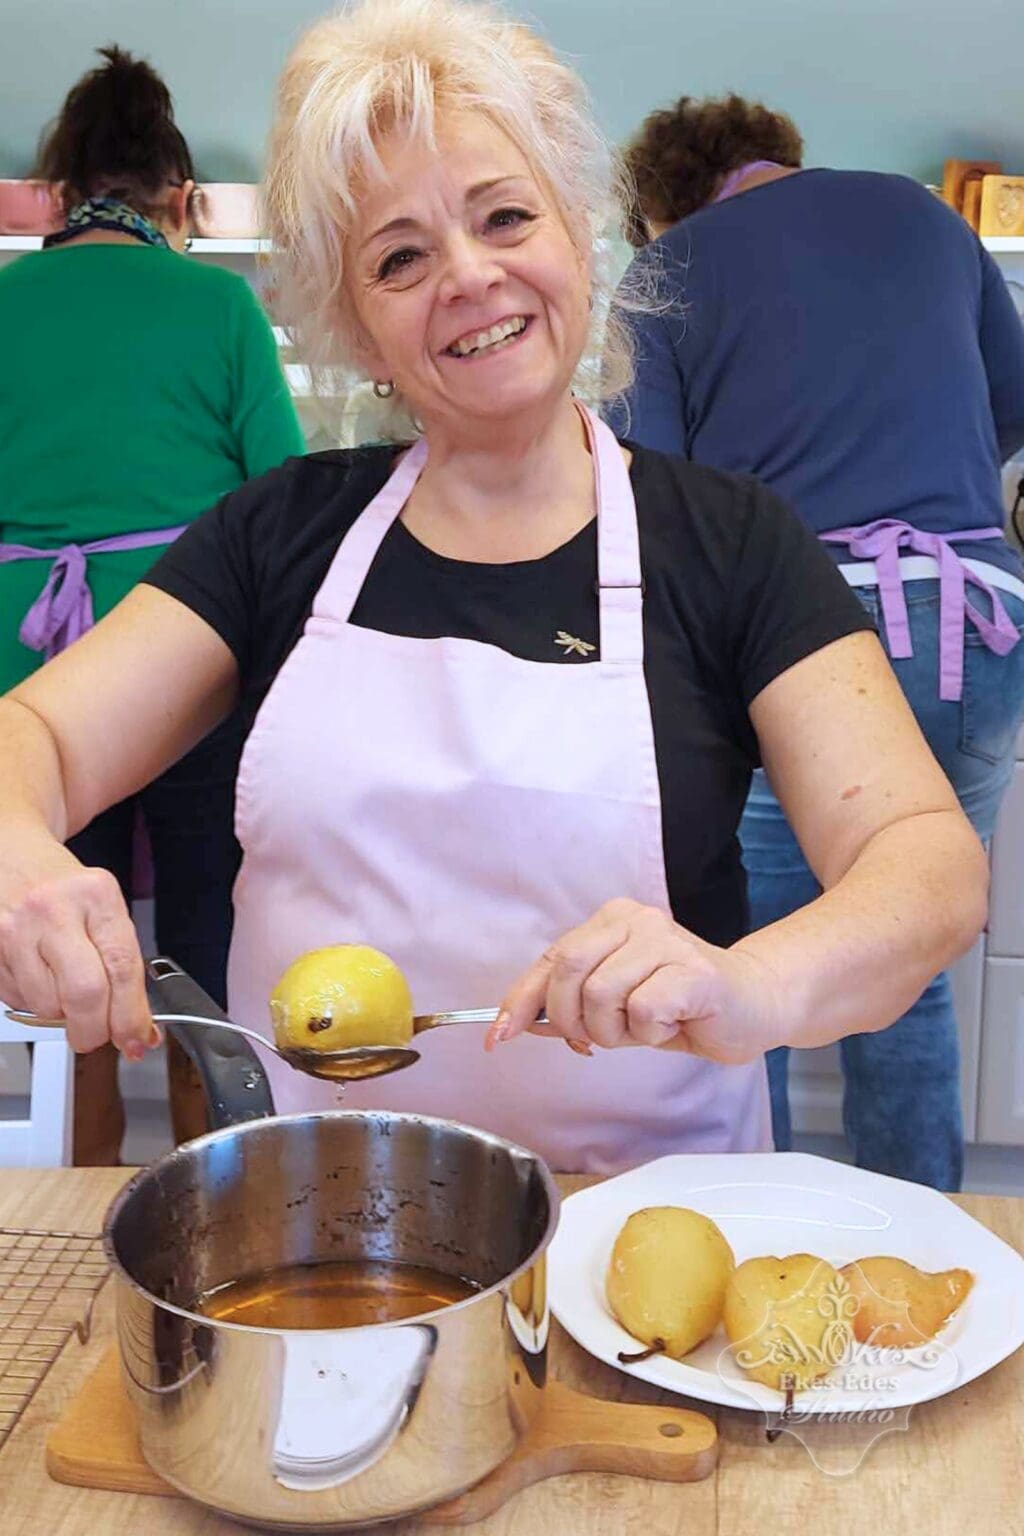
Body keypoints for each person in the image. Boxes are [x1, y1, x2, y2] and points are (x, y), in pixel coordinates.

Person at [0, 0, 990, 1177]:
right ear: (357, 332)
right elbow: (36, 737)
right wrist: (22, 856)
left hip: (638, 1224)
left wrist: (751, 984)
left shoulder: (729, 542)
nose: (469, 276)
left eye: (504, 216)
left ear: (577, 236)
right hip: (317, 1220)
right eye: (400, 257)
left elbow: (925, 861)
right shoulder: (278, 534)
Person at [613, 93, 1024, 1188]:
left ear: (659, 204)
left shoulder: (668, 267)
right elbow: (1011, 408)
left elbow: (650, 486)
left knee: (752, 971)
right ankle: (921, 1245)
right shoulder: (931, 220)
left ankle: (762, 1232)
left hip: (796, 630)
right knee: (903, 949)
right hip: (973, 615)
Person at [0, 46, 305, 1162]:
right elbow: (284, 498)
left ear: (62, 189)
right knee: (203, 953)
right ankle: (206, 1201)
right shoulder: (217, 304)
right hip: (189, 668)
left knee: (61, 962)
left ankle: (72, 1204)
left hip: (28, 685)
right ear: (177, 196)